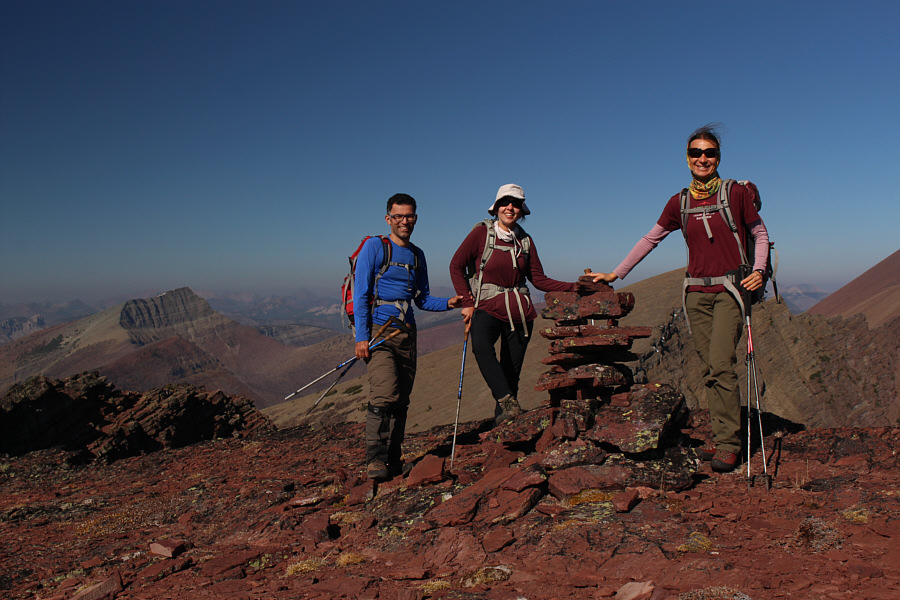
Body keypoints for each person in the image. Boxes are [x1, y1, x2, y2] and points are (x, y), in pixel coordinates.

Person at [588, 125, 769, 473]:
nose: (703, 158)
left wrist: (759, 270)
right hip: (695, 294)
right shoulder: (680, 202)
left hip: (731, 291)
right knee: (708, 370)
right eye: (696, 153)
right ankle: (722, 437)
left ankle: (731, 445)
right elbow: (650, 238)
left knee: (720, 364)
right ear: (687, 159)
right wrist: (616, 273)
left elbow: (759, 234)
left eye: (709, 153)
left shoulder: (736, 194)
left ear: (718, 158)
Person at [353, 193, 462, 481]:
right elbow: (361, 294)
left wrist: (449, 304)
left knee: (402, 398)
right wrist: (361, 338)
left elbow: (422, 300)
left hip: (407, 334)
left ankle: (393, 457)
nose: (404, 221)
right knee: (384, 393)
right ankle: (374, 460)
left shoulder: (417, 255)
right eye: (398, 216)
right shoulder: (375, 247)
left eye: (409, 216)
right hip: (379, 333)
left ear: (415, 218)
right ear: (388, 218)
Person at [450, 184, 576, 426]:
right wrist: (466, 302)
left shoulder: (525, 241)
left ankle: (506, 424)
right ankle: (506, 401)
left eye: (516, 203)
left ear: (521, 210)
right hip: (485, 306)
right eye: (506, 202)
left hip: (519, 311)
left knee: (512, 371)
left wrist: (574, 287)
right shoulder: (480, 234)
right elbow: (456, 266)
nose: (510, 207)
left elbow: (539, 279)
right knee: (481, 348)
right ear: (497, 207)